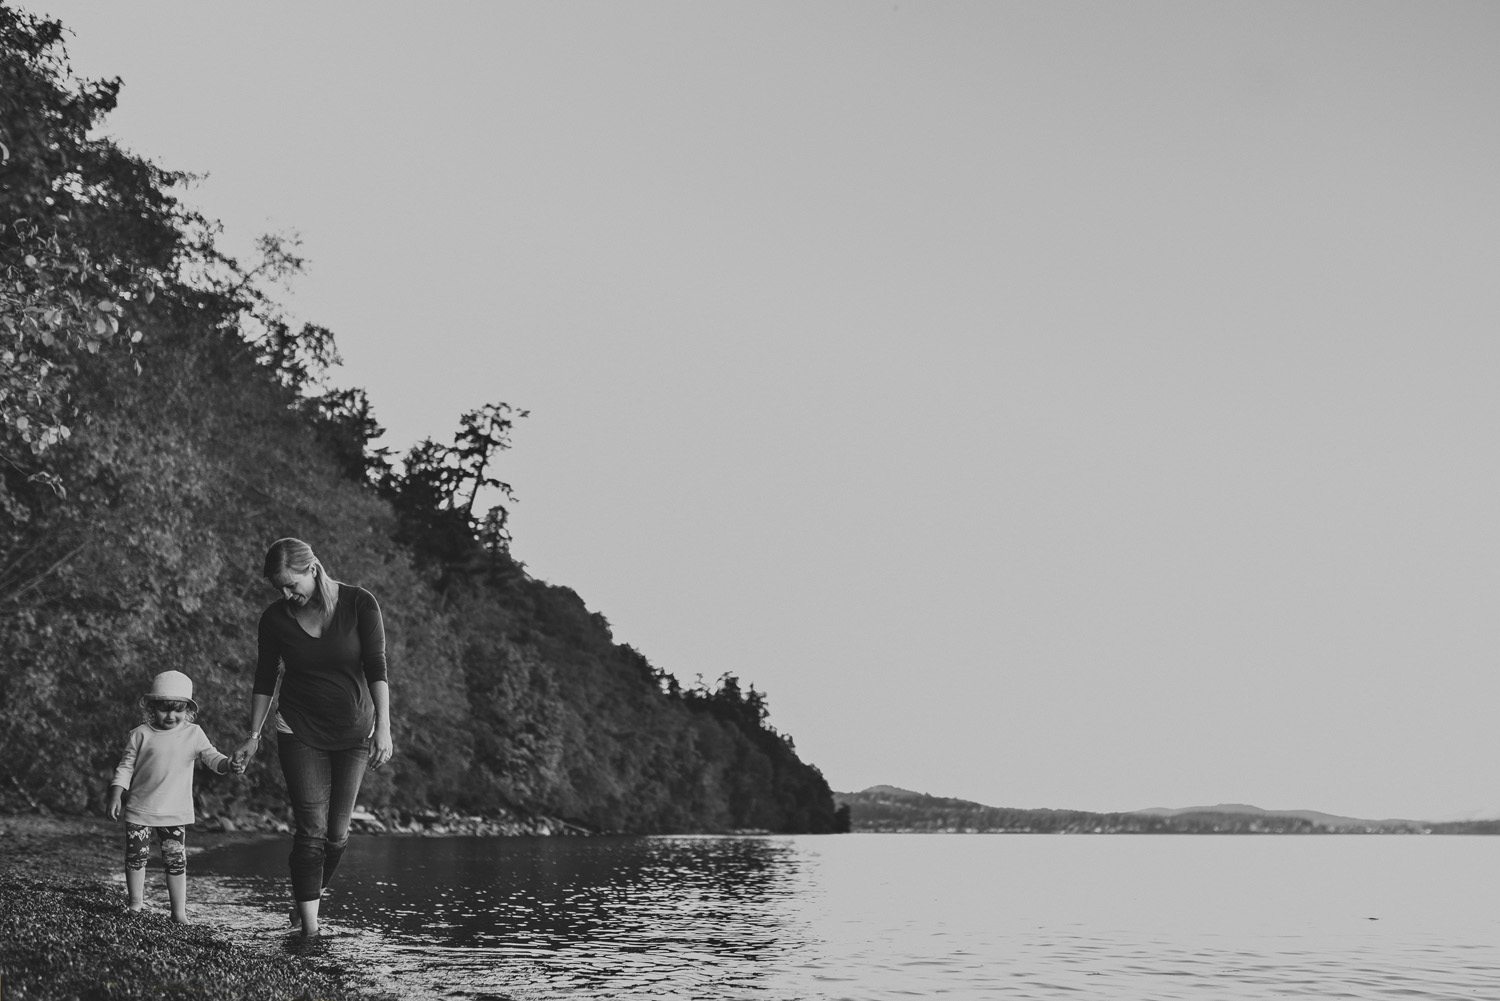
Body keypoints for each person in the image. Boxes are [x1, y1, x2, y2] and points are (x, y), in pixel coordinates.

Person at [230, 538, 393, 938]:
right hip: (299, 728)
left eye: (291, 585)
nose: (287, 595)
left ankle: (307, 896)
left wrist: (385, 728)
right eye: (279, 589)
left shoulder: (360, 604)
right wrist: (253, 734)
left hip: (355, 731)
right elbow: (265, 677)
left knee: (337, 834)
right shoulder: (275, 619)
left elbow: (376, 667)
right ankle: (309, 928)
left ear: (313, 570)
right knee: (311, 828)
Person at [107, 670, 233, 923]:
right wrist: (116, 794)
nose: (171, 716)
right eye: (164, 709)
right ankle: (135, 904)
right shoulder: (140, 734)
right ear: (152, 708)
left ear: (187, 709)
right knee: (136, 857)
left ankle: (178, 913)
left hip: (174, 812)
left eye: (177, 710)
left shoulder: (193, 733)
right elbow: (125, 767)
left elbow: (212, 758)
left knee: (175, 861)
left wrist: (229, 764)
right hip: (140, 809)